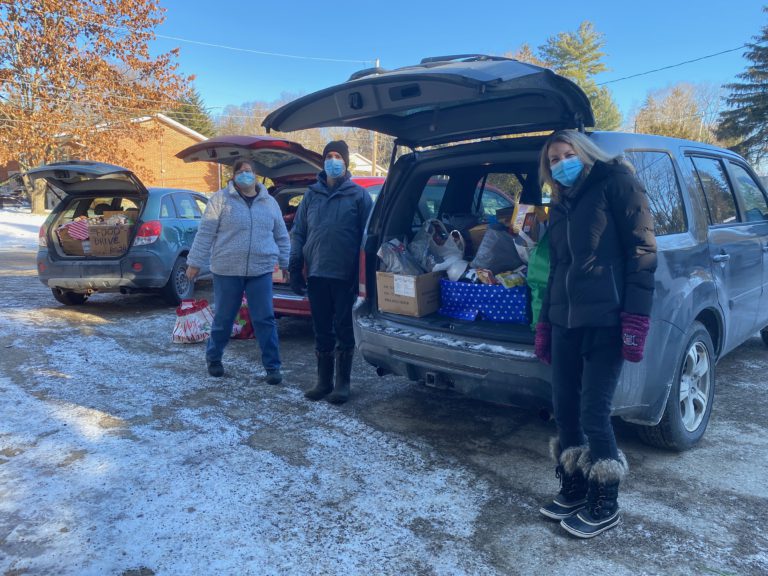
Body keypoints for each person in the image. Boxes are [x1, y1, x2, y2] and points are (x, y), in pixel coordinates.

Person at [534, 130, 656, 538]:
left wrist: (635, 320)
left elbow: (642, 253)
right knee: (564, 408)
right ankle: (575, 485)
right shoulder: (562, 204)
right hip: (566, 321)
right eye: (553, 159)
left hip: (607, 318)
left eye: (567, 155)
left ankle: (606, 501)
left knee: (593, 411)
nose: (560, 164)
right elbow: (557, 268)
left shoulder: (618, 184)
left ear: (585, 154)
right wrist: (546, 323)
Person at [186, 159, 290, 384]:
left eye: (249, 171)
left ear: (256, 175)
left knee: (265, 319)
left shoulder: (269, 202)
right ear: (233, 176)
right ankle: (214, 358)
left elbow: (281, 234)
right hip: (226, 270)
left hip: (260, 270)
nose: (245, 174)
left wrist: (285, 261)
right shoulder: (220, 200)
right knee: (224, 317)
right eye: (240, 171)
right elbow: (205, 234)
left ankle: (272, 366)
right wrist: (194, 262)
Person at [289, 140, 373, 404]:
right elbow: (299, 232)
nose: (333, 160)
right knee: (321, 328)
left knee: (343, 328)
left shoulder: (359, 196)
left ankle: (342, 384)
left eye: (338, 156)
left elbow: (367, 238)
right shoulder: (311, 195)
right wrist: (294, 265)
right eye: (329, 156)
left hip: (345, 275)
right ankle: (323, 381)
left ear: (346, 162)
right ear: (323, 162)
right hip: (316, 272)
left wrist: (361, 276)